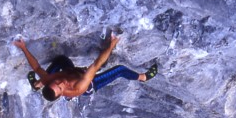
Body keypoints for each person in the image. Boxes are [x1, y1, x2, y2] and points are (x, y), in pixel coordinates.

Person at [13, 33, 158, 101]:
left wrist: (23, 48)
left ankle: (37, 85)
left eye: (56, 82)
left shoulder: (50, 80)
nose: (60, 82)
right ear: (62, 92)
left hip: (72, 72)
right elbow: (97, 64)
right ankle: (143, 77)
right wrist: (112, 44)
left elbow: (37, 67)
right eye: (60, 87)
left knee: (62, 60)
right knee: (119, 70)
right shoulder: (79, 86)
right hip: (90, 84)